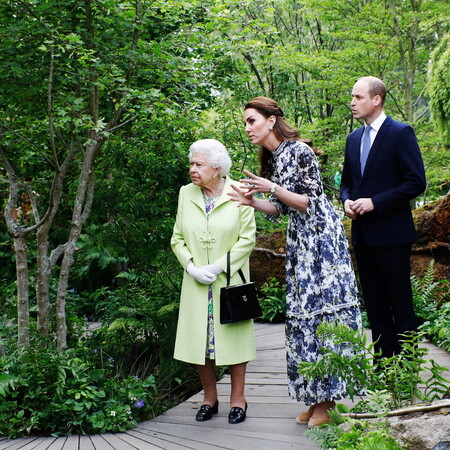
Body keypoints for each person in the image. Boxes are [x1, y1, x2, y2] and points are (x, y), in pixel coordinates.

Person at [229, 97, 362, 428]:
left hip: (321, 243)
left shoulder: (299, 150)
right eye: (245, 123)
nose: (247, 128)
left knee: (324, 315)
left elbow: (313, 202)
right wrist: (253, 201)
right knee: (304, 317)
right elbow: (281, 208)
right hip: (300, 243)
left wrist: (271, 187)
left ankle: (328, 403)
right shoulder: (276, 158)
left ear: (270, 121)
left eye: (251, 121)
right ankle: (315, 398)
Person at [171, 138, 256, 424]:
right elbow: (177, 238)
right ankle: (209, 398)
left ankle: (238, 400)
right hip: (197, 284)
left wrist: (220, 266)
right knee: (200, 343)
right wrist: (192, 266)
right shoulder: (186, 193)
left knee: (234, 343)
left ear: (217, 167)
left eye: (199, 164)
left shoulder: (239, 192)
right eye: (191, 164)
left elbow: (247, 239)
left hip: (229, 281)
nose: (192, 169)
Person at [340, 76, 426, 359]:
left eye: (358, 97)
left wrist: (376, 202)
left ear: (376, 99)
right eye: (352, 97)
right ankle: (382, 365)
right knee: (374, 306)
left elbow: (416, 182)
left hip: (393, 235)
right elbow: (347, 183)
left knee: (400, 304)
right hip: (363, 236)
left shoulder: (401, 132)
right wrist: (347, 201)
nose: (352, 102)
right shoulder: (353, 139)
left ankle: (407, 369)